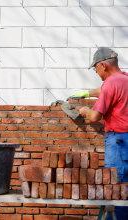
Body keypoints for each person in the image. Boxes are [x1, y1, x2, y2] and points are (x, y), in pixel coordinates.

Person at [72, 47, 128, 219]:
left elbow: (95, 116)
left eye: (95, 68)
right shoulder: (124, 79)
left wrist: (83, 110)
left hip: (118, 141)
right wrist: (88, 92)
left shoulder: (111, 83)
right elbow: (105, 90)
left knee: (115, 186)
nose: (96, 72)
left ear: (103, 65)